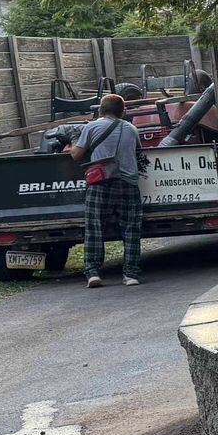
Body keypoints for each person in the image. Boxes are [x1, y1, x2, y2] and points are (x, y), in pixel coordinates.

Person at [68, 92, 147, 288]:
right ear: (123, 112)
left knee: (95, 227)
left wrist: (74, 139)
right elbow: (139, 152)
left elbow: (76, 155)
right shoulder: (131, 129)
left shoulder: (92, 126)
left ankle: (93, 272)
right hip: (127, 183)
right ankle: (131, 275)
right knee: (131, 229)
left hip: (100, 183)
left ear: (100, 110)